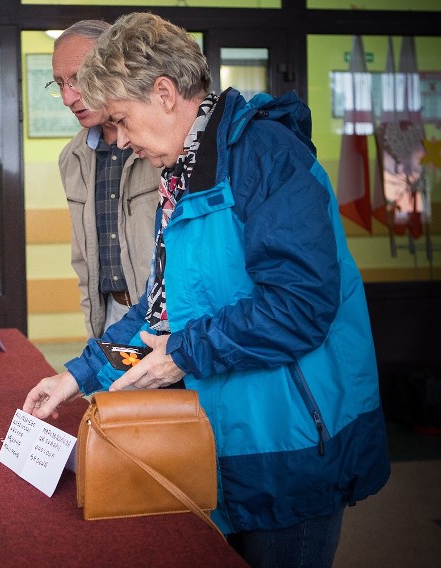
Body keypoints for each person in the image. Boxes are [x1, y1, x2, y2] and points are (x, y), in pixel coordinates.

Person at [23, 13, 389, 568]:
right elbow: (157, 313)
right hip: (225, 443)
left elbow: (298, 307)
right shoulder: (183, 174)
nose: (119, 141)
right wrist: (75, 375)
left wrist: (184, 355)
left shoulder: (266, 155)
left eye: (121, 119)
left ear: (165, 94)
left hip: (289, 445)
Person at [51, 20, 162, 337]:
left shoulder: (163, 145)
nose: (67, 98)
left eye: (78, 79)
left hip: (171, 318)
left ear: (115, 68)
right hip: (113, 315)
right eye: (59, 84)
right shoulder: (71, 158)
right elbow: (83, 262)